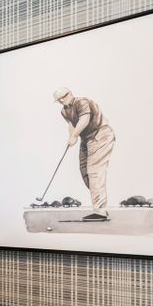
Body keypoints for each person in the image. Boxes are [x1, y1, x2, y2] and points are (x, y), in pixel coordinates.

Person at [53, 88, 116, 221]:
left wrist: (75, 135)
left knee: (94, 171)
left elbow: (84, 119)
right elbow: (71, 124)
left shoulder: (82, 102)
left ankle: (100, 211)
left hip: (100, 135)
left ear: (70, 94)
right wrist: (72, 137)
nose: (61, 101)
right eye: (58, 100)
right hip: (86, 139)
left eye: (63, 97)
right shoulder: (64, 111)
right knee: (84, 171)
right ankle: (101, 205)